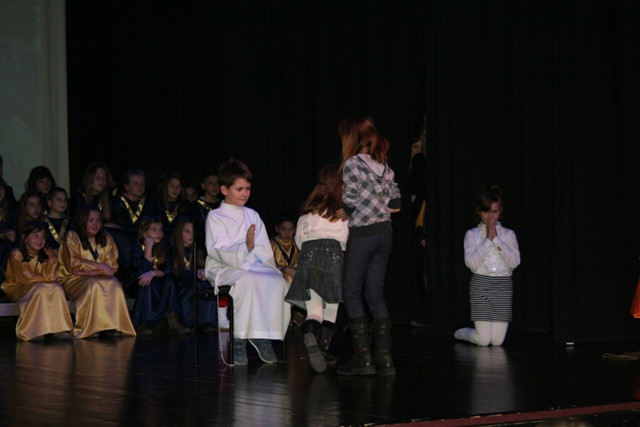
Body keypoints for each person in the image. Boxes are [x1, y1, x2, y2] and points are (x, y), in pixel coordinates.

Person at [205, 159, 291, 365]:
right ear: (224, 189)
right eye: (239, 189)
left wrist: (253, 253)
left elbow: (263, 250)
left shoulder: (252, 215)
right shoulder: (216, 216)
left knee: (278, 283)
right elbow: (218, 248)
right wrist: (245, 247)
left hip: (253, 264)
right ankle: (239, 338)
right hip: (223, 266)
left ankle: (262, 335)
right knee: (248, 281)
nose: (245, 193)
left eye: (248, 189)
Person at [337, 115, 401, 377]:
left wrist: (345, 211)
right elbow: (396, 205)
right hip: (385, 234)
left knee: (351, 291)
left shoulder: (353, 163)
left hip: (363, 235)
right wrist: (377, 205)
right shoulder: (384, 165)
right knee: (374, 294)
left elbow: (351, 202)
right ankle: (385, 360)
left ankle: (363, 359)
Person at [285, 164, 348, 373]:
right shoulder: (341, 212)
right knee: (331, 308)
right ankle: (323, 349)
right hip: (332, 256)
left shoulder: (307, 212)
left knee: (314, 311)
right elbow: (345, 238)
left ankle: (309, 332)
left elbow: (299, 240)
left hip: (308, 256)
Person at [454, 185, 520, 346]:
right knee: (484, 341)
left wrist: (496, 240)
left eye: (494, 211)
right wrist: (487, 240)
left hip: (503, 286)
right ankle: (461, 332)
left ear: (500, 211)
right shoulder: (472, 235)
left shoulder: (508, 234)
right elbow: (471, 264)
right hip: (481, 285)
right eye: (486, 211)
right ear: (479, 211)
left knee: (497, 342)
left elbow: (515, 262)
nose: (490, 216)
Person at [57, 204, 136, 338]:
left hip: (97, 276)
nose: (95, 224)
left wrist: (94, 272)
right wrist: (100, 267)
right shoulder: (72, 236)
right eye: (91, 220)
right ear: (83, 221)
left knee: (114, 283)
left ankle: (113, 326)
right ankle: (90, 327)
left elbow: (112, 266)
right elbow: (74, 263)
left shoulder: (106, 237)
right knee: (95, 285)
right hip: (74, 278)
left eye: (98, 220)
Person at [1, 221, 73, 341]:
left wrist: (51, 258)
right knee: (42, 289)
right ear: (24, 237)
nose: (40, 240)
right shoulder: (16, 254)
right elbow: (26, 277)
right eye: (36, 236)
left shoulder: (43, 255)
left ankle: (59, 329)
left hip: (40, 285)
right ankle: (33, 331)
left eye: (43, 237)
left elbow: (51, 278)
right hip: (18, 286)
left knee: (56, 288)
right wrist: (45, 280)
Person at [130, 215, 190, 336]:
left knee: (169, 281)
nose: (158, 233)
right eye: (154, 230)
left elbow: (168, 268)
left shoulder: (165, 246)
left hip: (158, 279)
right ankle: (143, 322)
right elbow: (142, 270)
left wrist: (152, 273)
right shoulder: (137, 247)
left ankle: (173, 320)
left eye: (160, 230)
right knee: (146, 281)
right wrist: (148, 247)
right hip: (139, 281)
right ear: (145, 232)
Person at [170, 216, 218, 331]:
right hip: (180, 282)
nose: (191, 235)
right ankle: (188, 322)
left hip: (194, 279)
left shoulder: (198, 249)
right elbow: (172, 272)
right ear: (179, 232)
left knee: (206, 285)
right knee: (192, 287)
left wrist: (204, 272)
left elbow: (206, 267)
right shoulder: (172, 249)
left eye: (193, 232)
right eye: (187, 232)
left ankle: (207, 321)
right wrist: (194, 272)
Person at [113, 169, 152, 242]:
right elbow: (121, 227)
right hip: (123, 240)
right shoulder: (118, 202)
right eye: (135, 183)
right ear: (126, 186)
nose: (140, 186)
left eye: (142, 184)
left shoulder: (148, 201)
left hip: (143, 239)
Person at [151, 171, 188, 238]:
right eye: (172, 186)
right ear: (165, 186)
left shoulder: (186, 206)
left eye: (178, 186)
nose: (175, 189)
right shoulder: (155, 203)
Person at [270, 212, 299, 285]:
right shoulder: (271, 245)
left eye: (291, 229)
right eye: (283, 229)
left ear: (295, 230)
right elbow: (266, 265)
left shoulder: (298, 245)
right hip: (277, 282)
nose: (287, 233)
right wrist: (284, 269)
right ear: (277, 229)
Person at [43, 187, 73, 254]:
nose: (63, 202)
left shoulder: (70, 221)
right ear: (49, 203)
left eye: (65, 200)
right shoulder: (42, 221)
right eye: (59, 200)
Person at [0, 179, 17, 284]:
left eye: (1, 188)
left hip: (5, 248)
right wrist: (3, 235)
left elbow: (14, 224)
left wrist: (12, 233)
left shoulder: (10, 208)